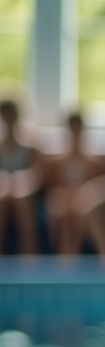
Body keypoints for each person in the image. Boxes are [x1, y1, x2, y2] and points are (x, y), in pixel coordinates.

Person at [44, 112, 105, 255]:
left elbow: (98, 187)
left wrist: (79, 193)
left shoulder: (96, 161)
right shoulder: (55, 161)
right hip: (63, 200)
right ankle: (63, 252)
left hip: (84, 201)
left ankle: (71, 252)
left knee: (78, 206)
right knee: (62, 207)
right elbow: (52, 188)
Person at [0, 99, 43, 255]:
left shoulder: (30, 147)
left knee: (20, 196)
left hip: (25, 191)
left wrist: (22, 181)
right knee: (3, 195)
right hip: (3, 190)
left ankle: (29, 249)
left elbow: (37, 175)